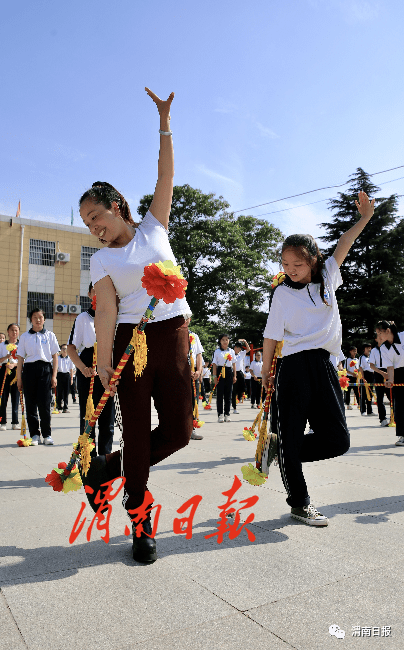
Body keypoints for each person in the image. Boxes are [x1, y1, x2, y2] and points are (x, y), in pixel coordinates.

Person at [79, 87, 193, 564]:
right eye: (87, 223)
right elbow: (105, 311)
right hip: (133, 343)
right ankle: (141, 520)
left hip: (175, 336)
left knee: (181, 431)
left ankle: (105, 468)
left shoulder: (154, 227)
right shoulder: (100, 260)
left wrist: (164, 121)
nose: (93, 227)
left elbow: (166, 174)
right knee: (140, 435)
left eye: (97, 216)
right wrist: (103, 362)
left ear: (118, 207)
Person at [262, 190, 374, 526]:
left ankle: (280, 450)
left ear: (312, 259)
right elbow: (271, 335)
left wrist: (365, 217)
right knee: (293, 433)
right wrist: (267, 370)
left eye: (297, 264)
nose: (290, 270)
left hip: (325, 366)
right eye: (284, 265)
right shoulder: (281, 293)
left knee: (338, 439)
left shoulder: (327, 278)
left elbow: (343, 243)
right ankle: (300, 503)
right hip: (293, 367)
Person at [67, 283, 115, 456]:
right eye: (96, 290)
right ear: (89, 294)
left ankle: (105, 460)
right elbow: (71, 348)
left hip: (109, 367)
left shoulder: (114, 316)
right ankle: (89, 462)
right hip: (89, 365)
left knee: (108, 422)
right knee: (88, 419)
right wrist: (83, 368)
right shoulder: (83, 318)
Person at [16, 308, 59, 445]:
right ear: (31, 320)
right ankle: (34, 434)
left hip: (45, 369)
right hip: (29, 370)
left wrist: (54, 376)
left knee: (45, 404)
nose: (38, 319)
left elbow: (55, 357)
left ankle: (47, 435)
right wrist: (19, 378)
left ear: (44, 319)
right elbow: (20, 359)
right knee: (30, 404)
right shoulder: (24, 337)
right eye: (35, 317)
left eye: (40, 317)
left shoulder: (50, 335)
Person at [375, 320, 404, 446]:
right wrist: (390, 380)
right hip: (398, 374)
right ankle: (403, 435)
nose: (378, 337)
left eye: (380, 333)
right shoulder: (383, 348)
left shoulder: (403, 336)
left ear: (388, 331)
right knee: (400, 406)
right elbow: (390, 367)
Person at [0, 323, 20, 430]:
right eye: (12, 330)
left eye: (16, 330)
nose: (14, 332)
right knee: (3, 397)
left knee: (15, 397)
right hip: (4, 371)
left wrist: (14, 364)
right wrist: (5, 358)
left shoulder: (21, 345)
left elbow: (24, 360)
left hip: (16, 371)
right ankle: (3, 422)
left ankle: (15, 422)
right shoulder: (2, 345)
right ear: (8, 331)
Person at [212, 334, 236, 422]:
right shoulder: (217, 351)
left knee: (228, 394)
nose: (225, 341)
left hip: (229, 371)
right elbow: (214, 364)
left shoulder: (232, 351)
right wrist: (214, 376)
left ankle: (227, 414)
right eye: (223, 340)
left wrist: (235, 375)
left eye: (227, 339)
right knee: (220, 394)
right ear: (220, 341)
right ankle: (220, 415)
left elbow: (234, 364)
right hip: (220, 371)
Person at [369, 334, 389, 427]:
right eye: (379, 337)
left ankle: (395, 417)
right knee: (380, 398)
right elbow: (372, 365)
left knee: (392, 397)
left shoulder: (389, 348)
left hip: (389, 372)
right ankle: (383, 419)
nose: (381, 338)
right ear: (376, 339)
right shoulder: (373, 351)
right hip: (378, 374)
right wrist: (382, 373)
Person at [189, 328, 204, 440]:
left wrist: (198, 371)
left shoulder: (194, 336)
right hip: (181, 370)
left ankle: (191, 429)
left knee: (194, 400)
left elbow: (199, 354)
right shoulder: (177, 333)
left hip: (194, 371)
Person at [232, 339, 250, 414]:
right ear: (235, 347)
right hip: (233, 373)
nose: (240, 349)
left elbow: (249, 349)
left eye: (241, 348)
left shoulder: (241, 354)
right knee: (234, 390)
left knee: (241, 389)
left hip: (240, 373)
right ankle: (234, 407)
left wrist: (245, 341)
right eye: (239, 348)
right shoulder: (231, 353)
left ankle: (237, 400)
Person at [56, 344, 74, 413]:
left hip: (67, 375)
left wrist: (71, 378)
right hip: (60, 375)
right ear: (61, 350)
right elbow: (56, 368)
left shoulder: (69, 358)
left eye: (66, 348)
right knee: (59, 392)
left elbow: (71, 369)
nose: (64, 350)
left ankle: (65, 407)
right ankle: (59, 407)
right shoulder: (58, 358)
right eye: (63, 348)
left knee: (66, 392)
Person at [358, 343, 375, 416]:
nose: (369, 349)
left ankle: (369, 411)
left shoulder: (371, 356)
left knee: (370, 393)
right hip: (365, 374)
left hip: (372, 375)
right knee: (364, 394)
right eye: (367, 348)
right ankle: (363, 410)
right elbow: (361, 368)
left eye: (370, 348)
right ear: (364, 349)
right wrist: (363, 377)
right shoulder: (362, 357)